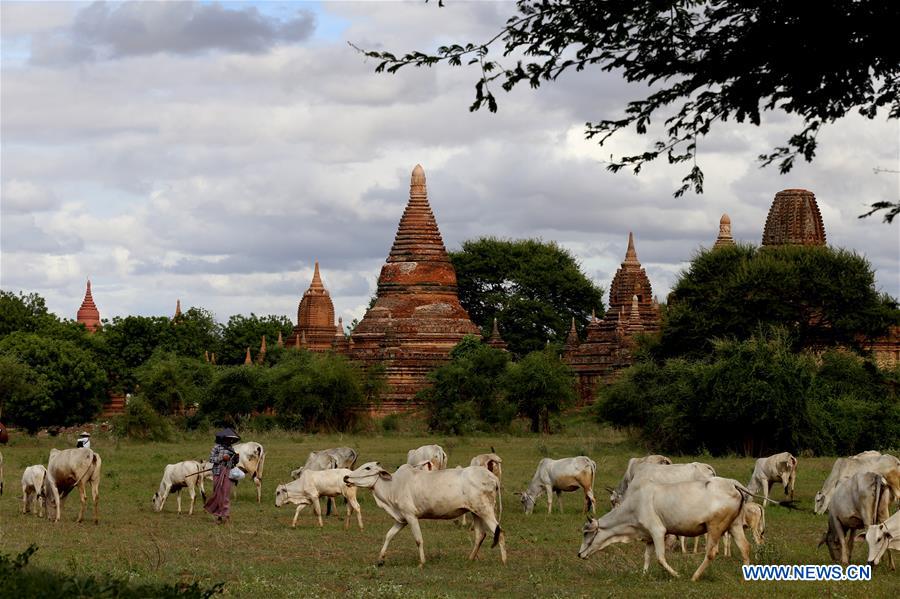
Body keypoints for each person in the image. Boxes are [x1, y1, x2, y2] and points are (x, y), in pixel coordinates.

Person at [204, 428, 240, 524]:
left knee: (225, 494)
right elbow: (211, 459)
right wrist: (221, 458)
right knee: (218, 493)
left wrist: (236, 459)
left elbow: (233, 463)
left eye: (231, 439)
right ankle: (219, 517)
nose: (230, 441)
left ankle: (226, 516)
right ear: (223, 438)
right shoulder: (216, 447)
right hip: (217, 472)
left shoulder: (231, 449)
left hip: (227, 472)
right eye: (228, 438)